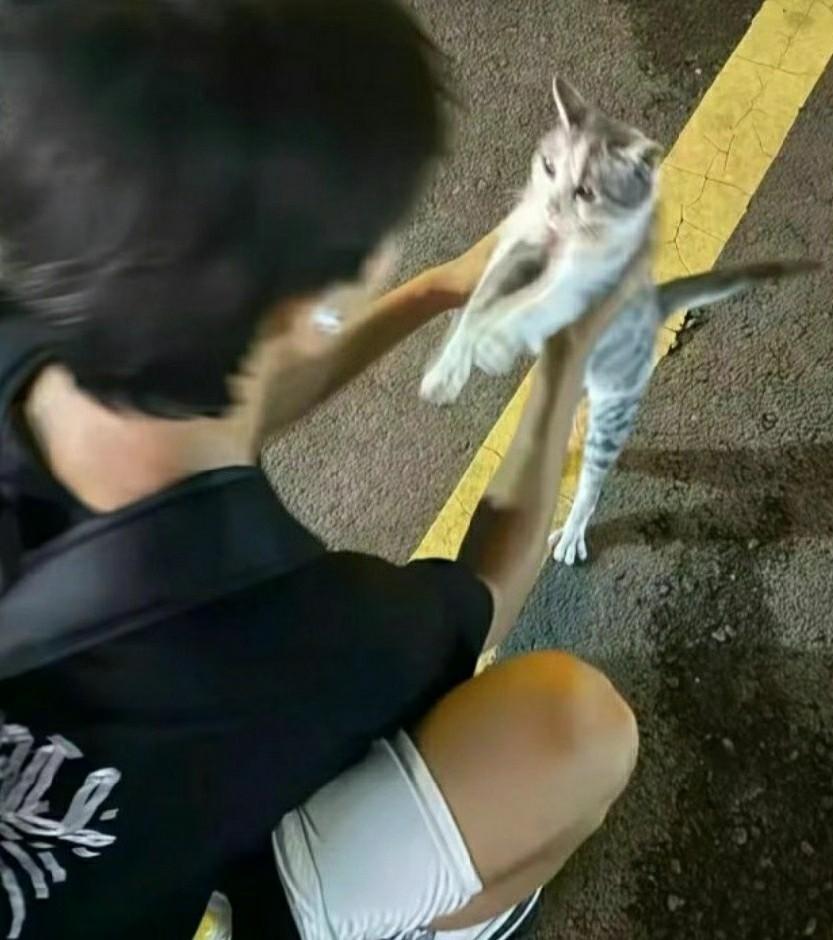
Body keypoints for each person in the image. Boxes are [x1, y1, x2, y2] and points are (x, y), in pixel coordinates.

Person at [0, 2, 639, 938]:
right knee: (574, 730)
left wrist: (437, 289)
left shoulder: (27, 324)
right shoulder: (306, 633)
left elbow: (209, 396)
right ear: (316, 300)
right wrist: (565, 354)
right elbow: (489, 590)